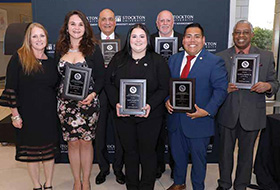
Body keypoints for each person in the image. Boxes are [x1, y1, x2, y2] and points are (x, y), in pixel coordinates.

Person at [105, 23, 170, 190]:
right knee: (130, 154)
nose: (138, 40)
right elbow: (108, 83)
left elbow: (164, 88)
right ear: (129, 39)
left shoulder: (157, 60)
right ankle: (132, 186)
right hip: (124, 117)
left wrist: (150, 105)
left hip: (150, 117)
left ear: (147, 39)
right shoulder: (118, 58)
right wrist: (116, 103)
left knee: (148, 154)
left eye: (142, 36)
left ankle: (147, 187)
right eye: (134, 36)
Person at [216, 20, 279, 190]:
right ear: (233, 35)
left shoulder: (265, 56)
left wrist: (267, 86)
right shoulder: (221, 57)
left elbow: (274, 82)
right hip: (227, 112)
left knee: (246, 154)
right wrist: (224, 88)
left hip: (252, 114)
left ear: (251, 34)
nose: (241, 36)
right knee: (224, 154)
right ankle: (224, 183)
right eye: (237, 32)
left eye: (245, 32)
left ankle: (241, 185)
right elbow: (214, 85)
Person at [165, 23, 228, 190]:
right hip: (176, 121)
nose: (192, 40)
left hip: (199, 122)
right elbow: (167, 86)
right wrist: (166, 100)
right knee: (178, 157)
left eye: (196, 36)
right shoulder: (173, 59)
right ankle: (179, 183)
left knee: (199, 161)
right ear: (183, 39)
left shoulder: (214, 62)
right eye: (188, 36)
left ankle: (198, 187)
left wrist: (206, 111)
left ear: (204, 40)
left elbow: (221, 90)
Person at [0, 23, 59, 190]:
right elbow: (11, 88)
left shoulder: (52, 62)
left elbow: (56, 88)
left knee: (48, 153)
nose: (39, 39)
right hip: (27, 115)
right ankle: (36, 185)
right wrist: (15, 114)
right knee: (32, 154)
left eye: (42, 36)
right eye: (35, 36)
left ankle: (48, 184)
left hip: (48, 115)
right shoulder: (19, 58)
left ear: (47, 39)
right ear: (29, 39)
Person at [56, 10, 105, 190]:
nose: (76, 28)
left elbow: (101, 77)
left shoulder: (93, 48)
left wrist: (92, 94)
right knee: (72, 142)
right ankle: (76, 181)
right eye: (73, 24)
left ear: (85, 28)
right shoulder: (60, 48)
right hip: (66, 106)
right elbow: (56, 77)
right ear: (67, 27)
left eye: (80, 24)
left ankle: (86, 181)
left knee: (86, 142)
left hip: (88, 104)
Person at [150, 10, 184, 179]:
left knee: (175, 134)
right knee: (156, 132)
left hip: (177, 93)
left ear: (173, 22)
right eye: (161, 20)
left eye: (168, 20)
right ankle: (158, 166)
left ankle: (175, 166)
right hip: (155, 93)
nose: (164, 23)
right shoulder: (148, 40)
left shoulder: (183, 39)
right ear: (157, 23)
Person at [94, 8, 125, 185]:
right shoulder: (91, 43)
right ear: (98, 22)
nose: (107, 22)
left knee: (121, 133)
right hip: (99, 94)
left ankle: (119, 169)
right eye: (104, 19)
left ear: (115, 22)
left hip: (119, 93)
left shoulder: (124, 42)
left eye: (110, 19)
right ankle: (103, 168)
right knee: (100, 134)